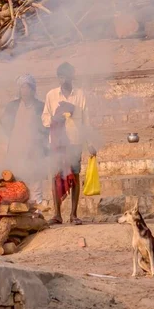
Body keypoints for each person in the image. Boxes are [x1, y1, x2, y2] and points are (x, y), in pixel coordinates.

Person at [42, 62, 96, 225]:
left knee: (75, 175)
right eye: (61, 76)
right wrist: (54, 119)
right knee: (55, 176)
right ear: (58, 78)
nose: (64, 79)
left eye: (67, 75)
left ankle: (73, 214)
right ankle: (57, 214)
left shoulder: (80, 95)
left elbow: (86, 121)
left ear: (72, 76)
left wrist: (90, 143)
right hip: (57, 143)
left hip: (75, 141)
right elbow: (44, 118)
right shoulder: (51, 95)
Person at [0, 74, 48, 206]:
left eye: (27, 88)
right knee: (17, 183)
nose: (25, 91)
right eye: (22, 88)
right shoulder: (12, 106)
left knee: (35, 183)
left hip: (35, 150)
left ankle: (37, 213)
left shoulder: (40, 106)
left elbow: (46, 126)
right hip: (17, 149)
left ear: (33, 90)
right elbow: (4, 123)